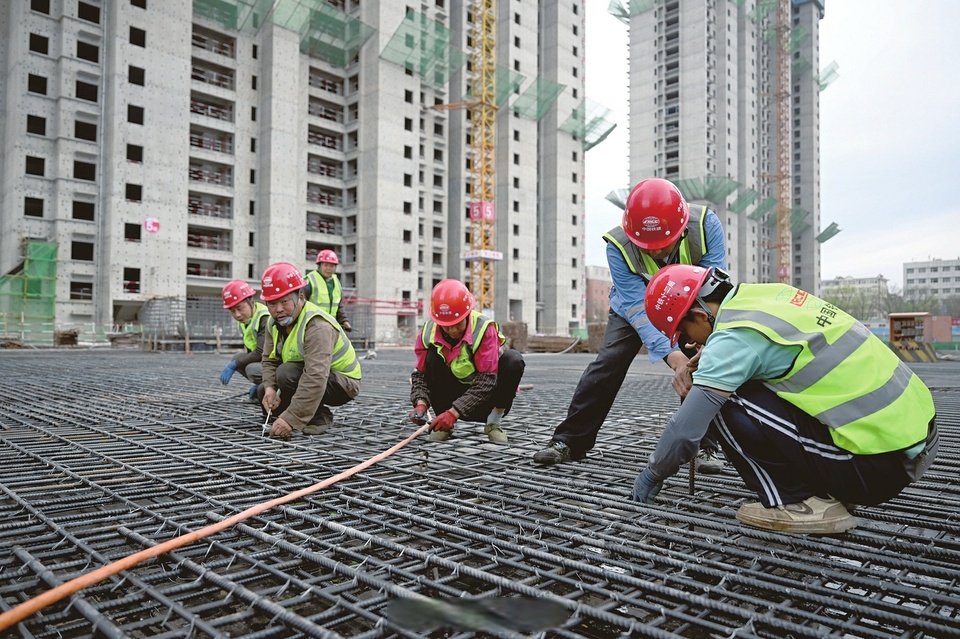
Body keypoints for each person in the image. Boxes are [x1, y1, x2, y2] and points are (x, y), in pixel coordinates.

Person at [632, 264, 939, 534]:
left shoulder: (733, 338)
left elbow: (686, 431)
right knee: (740, 383)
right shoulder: (768, 296)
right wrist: (710, 355)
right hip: (914, 442)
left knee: (721, 401)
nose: (689, 343)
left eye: (685, 332)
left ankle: (796, 502)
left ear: (700, 314)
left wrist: (653, 473)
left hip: (876, 468)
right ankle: (828, 488)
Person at [533, 178, 726, 470]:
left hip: (688, 304)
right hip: (634, 308)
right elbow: (638, 310)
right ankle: (569, 440)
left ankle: (705, 446)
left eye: (663, 246)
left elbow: (712, 290)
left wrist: (695, 349)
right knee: (607, 363)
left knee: (703, 361)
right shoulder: (617, 245)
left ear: (682, 229)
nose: (654, 253)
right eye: (646, 247)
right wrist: (673, 358)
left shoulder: (705, 226)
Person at [409, 279, 525, 444]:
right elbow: (420, 375)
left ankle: (493, 422)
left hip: (487, 400)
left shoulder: (484, 329)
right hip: (452, 394)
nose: (452, 330)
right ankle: (444, 425)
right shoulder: (428, 332)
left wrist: (454, 413)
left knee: (513, 360)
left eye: (457, 324)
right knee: (431, 358)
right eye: (446, 326)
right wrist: (420, 403)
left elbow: (486, 382)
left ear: (467, 314)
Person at [258, 262, 361, 437]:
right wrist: (270, 388)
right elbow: (269, 359)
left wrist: (291, 419)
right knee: (264, 391)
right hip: (310, 373)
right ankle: (299, 413)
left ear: (301, 297)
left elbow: (316, 376)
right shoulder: (273, 323)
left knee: (286, 373)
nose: (279, 309)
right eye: (272, 304)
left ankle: (319, 417)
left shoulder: (317, 327)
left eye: (284, 301)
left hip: (341, 382)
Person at [219, 280, 271, 403]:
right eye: (232, 311)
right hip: (265, 361)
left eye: (240, 308)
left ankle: (269, 387)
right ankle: (263, 386)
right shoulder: (244, 321)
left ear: (251, 302)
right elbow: (250, 351)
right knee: (238, 357)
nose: (237, 314)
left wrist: (235, 365)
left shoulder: (264, 317)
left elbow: (260, 352)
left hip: (277, 363)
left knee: (250, 369)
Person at [305, 249, 352, 333]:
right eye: (326, 265)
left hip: (331, 327)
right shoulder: (310, 280)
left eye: (332, 266)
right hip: (312, 327)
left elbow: (339, 306)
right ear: (319, 266)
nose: (328, 268)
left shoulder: (336, 282)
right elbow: (300, 304)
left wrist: (344, 321)